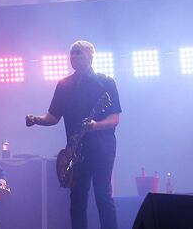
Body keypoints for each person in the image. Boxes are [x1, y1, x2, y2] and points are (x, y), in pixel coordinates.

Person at [26, 40, 122, 229]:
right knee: (77, 197)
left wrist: (95, 125)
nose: (74, 57)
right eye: (72, 54)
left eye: (79, 53)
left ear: (91, 56)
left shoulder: (106, 82)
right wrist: (35, 119)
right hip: (76, 151)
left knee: (103, 195)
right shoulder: (64, 85)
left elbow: (115, 119)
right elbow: (53, 117)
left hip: (102, 148)